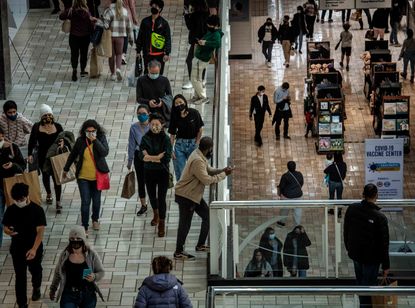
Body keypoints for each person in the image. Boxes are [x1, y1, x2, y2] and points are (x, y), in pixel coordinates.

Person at [174, 136, 233, 261]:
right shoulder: (198, 160)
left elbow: (209, 170)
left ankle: (200, 245)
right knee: (185, 224)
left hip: (194, 195)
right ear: (209, 148)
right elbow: (206, 180)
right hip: (186, 196)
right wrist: (223, 175)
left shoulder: (198, 154)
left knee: (208, 216)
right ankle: (178, 252)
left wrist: (222, 170)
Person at [344, 184, 390, 308]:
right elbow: (384, 243)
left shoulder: (352, 209)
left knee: (360, 281)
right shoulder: (379, 217)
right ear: (376, 196)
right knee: (369, 284)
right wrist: (386, 266)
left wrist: (349, 247)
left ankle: (363, 303)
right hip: (371, 258)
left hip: (356, 254)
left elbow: (346, 230)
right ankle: (365, 305)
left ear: (363, 194)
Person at [2, 183, 46, 308]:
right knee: (20, 277)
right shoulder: (11, 210)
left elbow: (40, 232)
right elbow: (5, 227)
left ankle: (36, 286)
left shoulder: (37, 210)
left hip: (34, 247)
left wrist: (34, 249)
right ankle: (22, 304)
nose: (18, 202)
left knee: (36, 270)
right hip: (17, 248)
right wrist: (8, 231)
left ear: (27, 196)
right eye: (16, 200)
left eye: (21, 199)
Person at [63, 120, 109, 236]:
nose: (91, 133)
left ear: (97, 131)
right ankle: (84, 226)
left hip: (97, 176)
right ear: (84, 132)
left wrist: (95, 140)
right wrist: (66, 168)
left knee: (97, 201)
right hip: (83, 177)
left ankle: (95, 219)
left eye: (93, 131)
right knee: (85, 201)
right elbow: (73, 155)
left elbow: (104, 152)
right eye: (88, 131)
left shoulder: (101, 138)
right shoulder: (80, 141)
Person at [49, 226, 105, 307]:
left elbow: (101, 272)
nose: (75, 241)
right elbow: (58, 273)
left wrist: (94, 276)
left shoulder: (91, 254)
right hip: (69, 294)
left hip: (88, 293)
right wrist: (53, 289)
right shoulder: (65, 255)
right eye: (72, 238)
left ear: (83, 240)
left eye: (78, 238)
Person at [139, 113, 172, 237]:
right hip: (149, 172)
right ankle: (156, 214)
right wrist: (157, 157)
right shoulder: (145, 138)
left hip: (162, 172)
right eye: (152, 124)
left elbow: (166, 159)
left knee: (162, 198)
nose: (154, 127)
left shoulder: (166, 139)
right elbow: (142, 156)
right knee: (152, 196)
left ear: (162, 125)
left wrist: (149, 157)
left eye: (157, 124)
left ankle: (162, 223)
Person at [28, 104, 64, 207]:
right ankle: (48, 192)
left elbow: (63, 138)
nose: (48, 117)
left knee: (57, 179)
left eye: (49, 114)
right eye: (45, 115)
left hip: (55, 156)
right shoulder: (36, 127)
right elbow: (32, 141)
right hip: (42, 156)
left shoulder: (58, 126)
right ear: (41, 116)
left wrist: (62, 143)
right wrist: (30, 154)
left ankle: (58, 201)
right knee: (45, 176)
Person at [0, 128, 25, 247]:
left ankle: (19, 238)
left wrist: (13, 165)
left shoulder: (12, 147)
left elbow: (22, 166)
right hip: (0, 187)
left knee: (17, 213)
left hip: (12, 186)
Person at [169, 95, 204, 181]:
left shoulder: (194, 113)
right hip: (179, 146)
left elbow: (200, 129)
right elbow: (172, 135)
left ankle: (192, 191)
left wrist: (197, 142)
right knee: (181, 171)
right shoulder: (174, 117)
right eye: (176, 103)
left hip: (193, 144)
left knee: (194, 169)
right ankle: (181, 192)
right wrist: (171, 150)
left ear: (185, 102)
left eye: (180, 102)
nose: (179, 105)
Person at [190, 14, 223, 105]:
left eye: (210, 25)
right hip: (199, 57)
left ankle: (203, 97)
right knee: (198, 78)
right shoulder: (211, 32)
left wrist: (204, 42)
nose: (208, 26)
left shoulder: (216, 34)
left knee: (194, 79)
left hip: (202, 59)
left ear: (215, 25)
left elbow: (217, 44)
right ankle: (197, 96)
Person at [59, 0, 95, 82]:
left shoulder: (71, 11)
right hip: (85, 37)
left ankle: (74, 69)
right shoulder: (86, 13)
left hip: (74, 37)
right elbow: (90, 26)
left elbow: (61, 16)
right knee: (84, 54)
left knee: (74, 54)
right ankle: (82, 70)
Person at [136, 0, 171, 75]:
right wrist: (138, 51)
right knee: (147, 74)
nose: (154, 7)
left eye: (156, 6)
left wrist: (167, 53)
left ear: (160, 9)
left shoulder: (164, 23)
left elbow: (168, 39)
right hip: (147, 54)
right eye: (153, 6)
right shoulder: (145, 22)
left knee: (159, 75)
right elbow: (140, 37)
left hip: (159, 55)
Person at [43, 131, 76, 213]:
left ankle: (57, 202)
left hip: (56, 163)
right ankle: (49, 194)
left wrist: (63, 147)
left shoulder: (66, 143)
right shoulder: (58, 144)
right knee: (48, 178)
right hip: (47, 159)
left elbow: (73, 154)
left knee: (57, 182)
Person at [127, 105, 150, 216]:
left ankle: (155, 203)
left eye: (144, 113)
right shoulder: (134, 127)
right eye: (139, 113)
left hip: (152, 156)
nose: (141, 115)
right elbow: (131, 144)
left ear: (148, 114)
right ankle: (143, 205)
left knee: (152, 180)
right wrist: (130, 161)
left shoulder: (153, 125)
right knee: (141, 181)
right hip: (139, 156)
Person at [102, 0, 134, 81]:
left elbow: (105, 26)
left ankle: (113, 74)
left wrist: (102, 19)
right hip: (121, 37)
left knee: (111, 55)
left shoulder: (109, 11)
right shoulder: (125, 11)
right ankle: (118, 69)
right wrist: (131, 39)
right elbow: (129, 27)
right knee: (119, 54)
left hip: (110, 37)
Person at [136, 60, 173, 125]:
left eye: (156, 73)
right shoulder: (141, 80)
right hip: (147, 112)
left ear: (159, 70)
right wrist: (148, 102)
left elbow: (170, 96)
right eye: (152, 73)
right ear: (148, 69)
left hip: (161, 111)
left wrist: (162, 102)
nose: (154, 75)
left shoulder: (164, 80)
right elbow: (138, 98)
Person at [183, 0, 209, 89]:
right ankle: (202, 80)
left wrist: (186, 15)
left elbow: (190, 26)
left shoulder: (195, 15)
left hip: (196, 41)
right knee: (202, 60)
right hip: (204, 41)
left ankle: (192, 81)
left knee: (189, 60)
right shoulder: (206, 14)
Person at [277, 161, 304, 226]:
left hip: (287, 197)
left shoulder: (285, 176)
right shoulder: (299, 174)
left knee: (284, 210)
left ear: (287, 167)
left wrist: (281, 194)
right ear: (295, 167)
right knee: (298, 212)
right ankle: (297, 226)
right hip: (298, 196)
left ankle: (281, 222)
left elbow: (282, 186)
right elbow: (301, 183)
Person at [324, 153, 347, 217]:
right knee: (339, 197)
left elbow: (325, 171)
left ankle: (331, 210)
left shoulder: (333, 165)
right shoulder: (344, 164)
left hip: (332, 183)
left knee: (331, 196)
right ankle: (339, 212)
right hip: (340, 183)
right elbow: (344, 173)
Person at [121, 0, 138, 65]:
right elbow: (132, 6)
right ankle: (123, 55)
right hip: (126, 16)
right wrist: (134, 18)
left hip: (116, 16)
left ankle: (118, 55)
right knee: (125, 36)